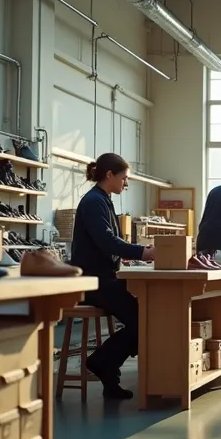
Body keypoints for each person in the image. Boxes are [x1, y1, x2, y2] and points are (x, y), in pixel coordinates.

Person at [70, 152, 154, 400]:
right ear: (110, 175)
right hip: (95, 281)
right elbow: (106, 240)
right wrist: (143, 252)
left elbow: (107, 242)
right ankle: (102, 362)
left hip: (103, 276)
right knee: (145, 321)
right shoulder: (94, 201)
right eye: (124, 178)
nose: (126, 184)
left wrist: (125, 257)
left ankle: (108, 371)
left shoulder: (103, 199)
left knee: (145, 317)